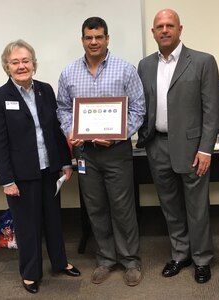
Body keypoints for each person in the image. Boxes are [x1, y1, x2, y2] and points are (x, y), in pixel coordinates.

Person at [56, 17, 145, 286]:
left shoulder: (126, 70)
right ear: (82, 39)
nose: (93, 42)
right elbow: (62, 108)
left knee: (123, 208)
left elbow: (138, 109)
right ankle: (106, 258)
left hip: (116, 151)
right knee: (95, 208)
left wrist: (118, 133)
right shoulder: (69, 73)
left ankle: (130, 260)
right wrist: (71, 132)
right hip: (86, 155)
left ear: (107, 38)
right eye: (88, 37)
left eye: (99, 37)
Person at [0, 39, 80, 294]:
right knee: (27, 226)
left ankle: (59, 263)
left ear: (33, 63)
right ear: (7, 66)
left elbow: (55, 131)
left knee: (53, 220)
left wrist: (65, 162)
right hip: (21, 174)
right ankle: (30, 273)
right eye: (15, 62)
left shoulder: (45, 90)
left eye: (25, 60)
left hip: (49, 169)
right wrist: (6, 180)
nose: (21, 66)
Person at [136, 9, 219, 284]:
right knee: (170, 207)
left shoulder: (202, 61)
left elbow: (212, 110)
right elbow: (142, 105)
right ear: (153, 32)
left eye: (169, 25)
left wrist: (206, 148)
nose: (164, 30)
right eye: (159, 26)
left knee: (196, 208)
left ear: (180, 29)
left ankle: (202, 259)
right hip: (157, 146)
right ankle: (181, 253)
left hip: (193, 149)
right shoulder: (145, 65)